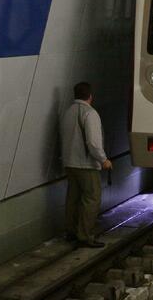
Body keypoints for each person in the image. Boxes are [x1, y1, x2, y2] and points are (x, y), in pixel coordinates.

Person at [60, 82, 113, 248]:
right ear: (90, 96)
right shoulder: (90, 114)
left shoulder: (67, 112)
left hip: (70, 163)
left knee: (73, 198)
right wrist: (103, 159)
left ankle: (71, 231)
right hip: (86, 165)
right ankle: (85, 235)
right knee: (91, 199)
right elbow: (93, 142)